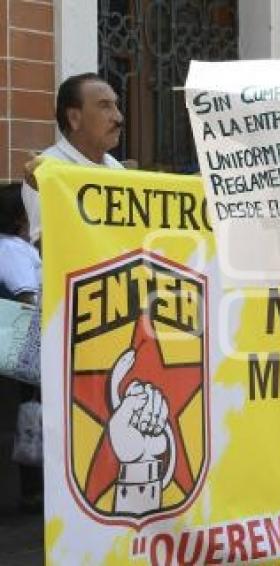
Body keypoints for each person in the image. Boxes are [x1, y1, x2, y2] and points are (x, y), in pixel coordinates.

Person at [22, 72, 124, 249]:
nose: (118, 117)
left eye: (115, 105)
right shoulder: (46, 170)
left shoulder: (116, 168)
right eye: (105, 106)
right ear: (74, 118)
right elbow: (45, 248)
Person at [0, 182, 43, 511]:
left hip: (16, 348)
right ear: (19, 217)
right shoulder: (13, 249)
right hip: (19, 347)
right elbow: (26, 296)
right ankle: (23, 494)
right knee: (22, 418)